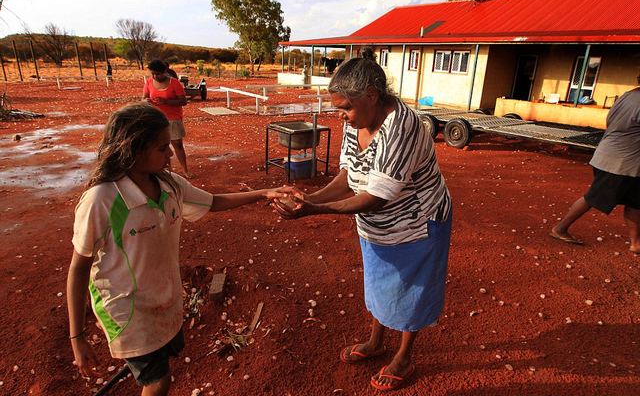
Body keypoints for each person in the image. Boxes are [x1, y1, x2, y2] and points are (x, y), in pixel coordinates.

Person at [67, 102, 285, 396]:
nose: (171, 153)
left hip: (164, 299)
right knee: (159, 382)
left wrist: (265, 192)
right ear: (133, 150)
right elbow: (79, 267)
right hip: (126, 309)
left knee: (158, 364)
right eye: (162, 148)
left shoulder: (170, 185)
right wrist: (77, 337)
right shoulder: (102, 200)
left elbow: (213, 201)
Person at [273, 47, 452, 392]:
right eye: (338, 109)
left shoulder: (404, 126)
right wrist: (309, 198)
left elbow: (376, 197)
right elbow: (348, 175)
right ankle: (375, 342)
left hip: (417, 224)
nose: (341, 116)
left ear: (372, 96)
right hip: (377, 225)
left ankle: (404, 355)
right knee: (382, 283)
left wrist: (315, 210)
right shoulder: (357, 121)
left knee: (411, 290)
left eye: (345, 108)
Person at [551, 74, 640, 253]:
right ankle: (560, 228)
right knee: (593, 197)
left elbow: (610, 121)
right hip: (618, 162)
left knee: (636, 202)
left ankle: (636, 243)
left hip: (620, 158)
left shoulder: (628, 95)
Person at [142, 59, 192, 178]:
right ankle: (166, 169)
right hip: (156, 118)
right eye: (153, 74)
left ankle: (185, 170)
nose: (155, 76)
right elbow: (143, 98)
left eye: (158, 74)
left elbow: (183, 101)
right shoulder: (149, 82)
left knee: (177, 144)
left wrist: (166, 101)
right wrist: (145, 101)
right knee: (161, 146)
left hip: (173, 118)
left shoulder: (174, 83)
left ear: (164, 71)